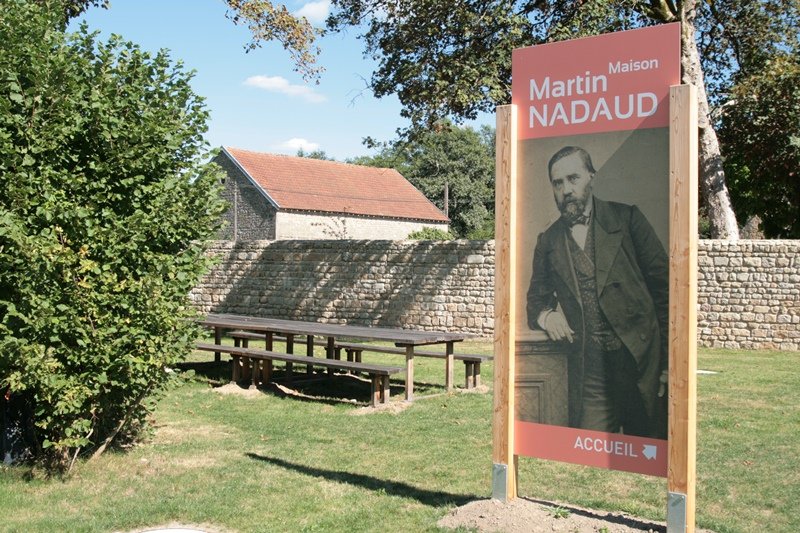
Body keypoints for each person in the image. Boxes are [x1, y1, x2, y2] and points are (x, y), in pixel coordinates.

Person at [527, 146, 668, 439]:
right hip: (592, 374)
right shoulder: (549, 241)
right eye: (558, 183)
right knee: (587, 449)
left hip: (642, 364)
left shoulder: (628, 219)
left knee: (647, 450)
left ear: (591, 176)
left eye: (573, 178)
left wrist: (668, 365)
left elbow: (667, 293)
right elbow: (534, 301)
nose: (566, 189)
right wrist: (547, 315)